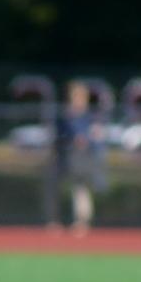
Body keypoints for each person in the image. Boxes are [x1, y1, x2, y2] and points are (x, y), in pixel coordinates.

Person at [54, 80, 107, 235]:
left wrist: (88, 140)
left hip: (85, 158)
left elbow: (97, 138)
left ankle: (81, 221)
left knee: (81, 189)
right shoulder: (66, 117)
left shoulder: (90, 117)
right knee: (61, 188)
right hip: (68, 157)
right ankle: (57, 220)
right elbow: (59, 137)